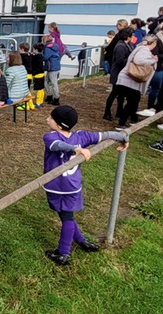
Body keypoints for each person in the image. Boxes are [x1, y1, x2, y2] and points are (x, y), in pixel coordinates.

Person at [42, 105, 128, 267]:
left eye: (51, 118)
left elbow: (57, 145)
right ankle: (82, 241)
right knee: (66, 215)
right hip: (73, 186)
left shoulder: (50, 136)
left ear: (60, 126)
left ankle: (62, 253)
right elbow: (105, 135)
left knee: (66, 217)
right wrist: (123, 137)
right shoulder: (81, 136)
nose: (47, 119)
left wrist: (76, 149)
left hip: (56, 186)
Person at [113, 33, 158, 129]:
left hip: (128, 79)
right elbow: (138, 60)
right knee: (132, 101)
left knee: (133, 101)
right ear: (153, 42)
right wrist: (153, 60)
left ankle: (131, 120)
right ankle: (122, 123)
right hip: (130, 80)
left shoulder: (140, 48)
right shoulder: (144, 50)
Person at [102, 28, 133, 121]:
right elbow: (120, 61)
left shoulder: (128, 45)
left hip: (123, 73)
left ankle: (119, 111)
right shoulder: (120, 46)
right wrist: (132, 60)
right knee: (114, 93)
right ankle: (107, 112)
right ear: (128, 36)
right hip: (118, 73)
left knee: (121, 94)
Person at [42, 35, 63, 106]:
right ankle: (50, 96)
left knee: (53, 83)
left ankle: (56, 99)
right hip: (55, 66)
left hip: (51, 67)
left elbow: (46, 57)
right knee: (48, 81)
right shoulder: (55, 46)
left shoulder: (47, 48)